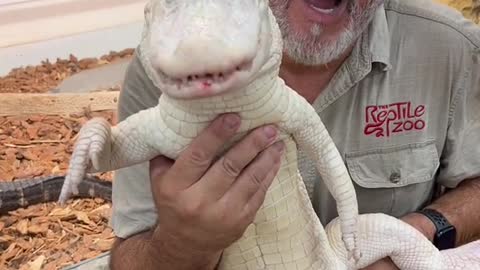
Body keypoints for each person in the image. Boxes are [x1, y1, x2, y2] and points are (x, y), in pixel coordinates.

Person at [108, 0, 480, 269]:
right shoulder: (169, 67)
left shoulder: (453, 48)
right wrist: (181, 245)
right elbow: (130, 248)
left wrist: (414, 237)